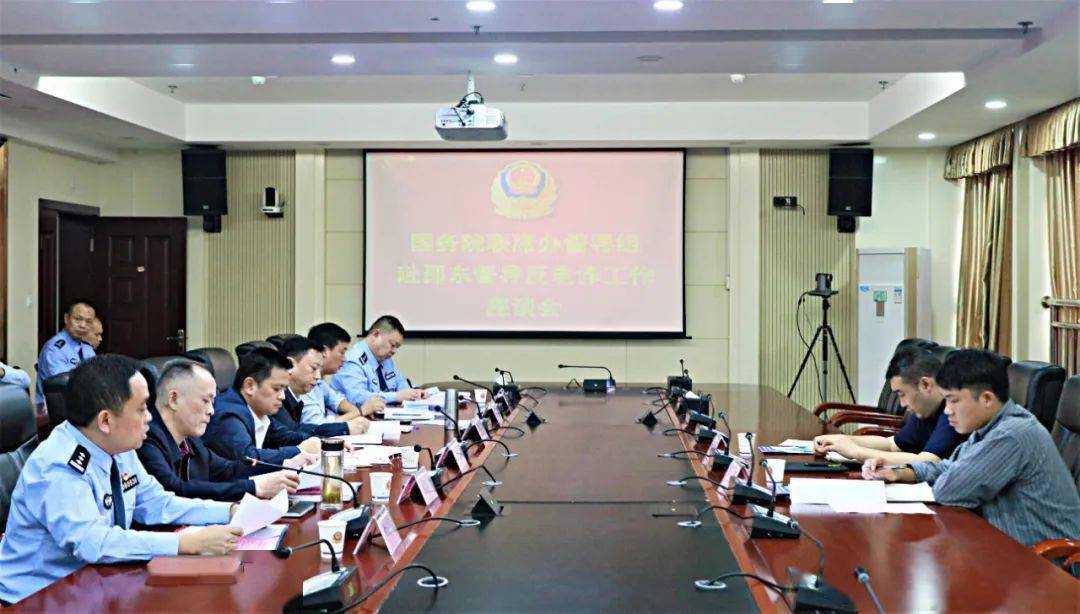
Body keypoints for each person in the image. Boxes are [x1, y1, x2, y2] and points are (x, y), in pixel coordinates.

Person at [0, 355, 242, 605]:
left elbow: (157, 503)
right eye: (142, 408)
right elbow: (93, 543)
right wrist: (184, 543)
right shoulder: (58, 466)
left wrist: (230, 511)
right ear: (106, 420)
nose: (150, 417)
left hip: (95, 583)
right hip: (38, 599)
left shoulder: (117, 446)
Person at [864, 349, 1080, 547]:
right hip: (1008, 548)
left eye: (953, 401)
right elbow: (949, 467)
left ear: (986, 398)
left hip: (1048, 562)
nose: (947, 411)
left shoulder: (1011, 435)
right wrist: (900, 472)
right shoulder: (989, 427)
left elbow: (948, 491)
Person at [138, 359, 305, 502]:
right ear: (174, 399)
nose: (211, 411)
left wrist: (285, 464)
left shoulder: (190, 442)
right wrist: (254, 487)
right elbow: (174, 489)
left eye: (213, 402)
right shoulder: (147, 439)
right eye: (205, 400)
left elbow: (229, 469)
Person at [814, 349, 964, 464]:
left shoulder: (953, 411)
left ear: (925, 384)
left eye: (902, 394)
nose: (902, 404)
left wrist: (856, 452)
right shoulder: (927, 409)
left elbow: (928, 462)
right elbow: (891, 444)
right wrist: (840, 440)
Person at [202, 347, 320, 465]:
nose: (282, 396)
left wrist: (319, 441)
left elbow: (285, 437)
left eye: (284, 389)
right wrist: (299, 450)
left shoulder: (257, 410)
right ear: (250, 386)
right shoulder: (228, 415)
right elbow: (248, 459)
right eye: (276, 389)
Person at [274, 336, 369, 437]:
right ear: (290, 364)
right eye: (314, 368)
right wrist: (345, 428)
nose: (318, 376)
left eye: (319, 370)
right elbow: (291, 434)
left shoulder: (294, 398)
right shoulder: (277, 398)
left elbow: (300, 429)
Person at [331, 315, 427, 406]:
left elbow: (400, 382)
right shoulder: (353, 360)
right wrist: (396, 396)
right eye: (392, 345)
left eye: (397, 347)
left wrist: (413, 393)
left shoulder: (385, 359)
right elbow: (357, 398)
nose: (394, 351)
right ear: (376, 334)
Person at [305, 322, 382, 423]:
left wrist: (357, 412)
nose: (344, 359)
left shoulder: (320, 382)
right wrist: (361, 411)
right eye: (342, 352)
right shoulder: (306, 383)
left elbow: (337, 400)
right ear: (324, 351)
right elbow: (319, 427)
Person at [34, 299, 97, 405]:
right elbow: (64, 385)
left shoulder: (88, 350)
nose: (83, 325)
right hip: (54, 409)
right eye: (78, 319)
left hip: (81, 405)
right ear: (66, 319)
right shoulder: (54, 349)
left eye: (88, 321)